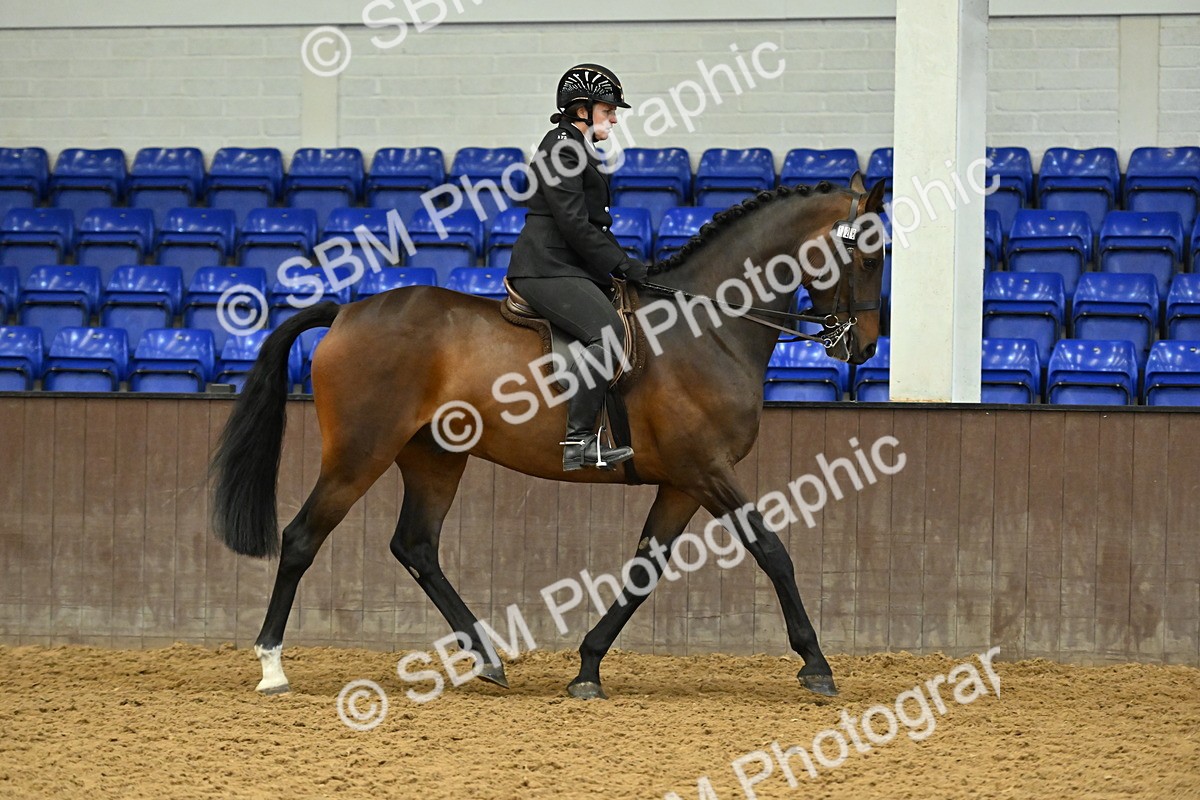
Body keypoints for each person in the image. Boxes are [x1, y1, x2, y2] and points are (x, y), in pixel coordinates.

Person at [508, 64, 649, 472]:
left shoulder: (577, 147)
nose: (615, 118)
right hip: (546, 266)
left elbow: (589, 225)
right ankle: (579, 440)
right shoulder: (562, 148)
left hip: (567, 265)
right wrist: (621, 264)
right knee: (608, 335)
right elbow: (573, 225)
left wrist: (625, 266)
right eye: (609, 110)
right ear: (581, 109)